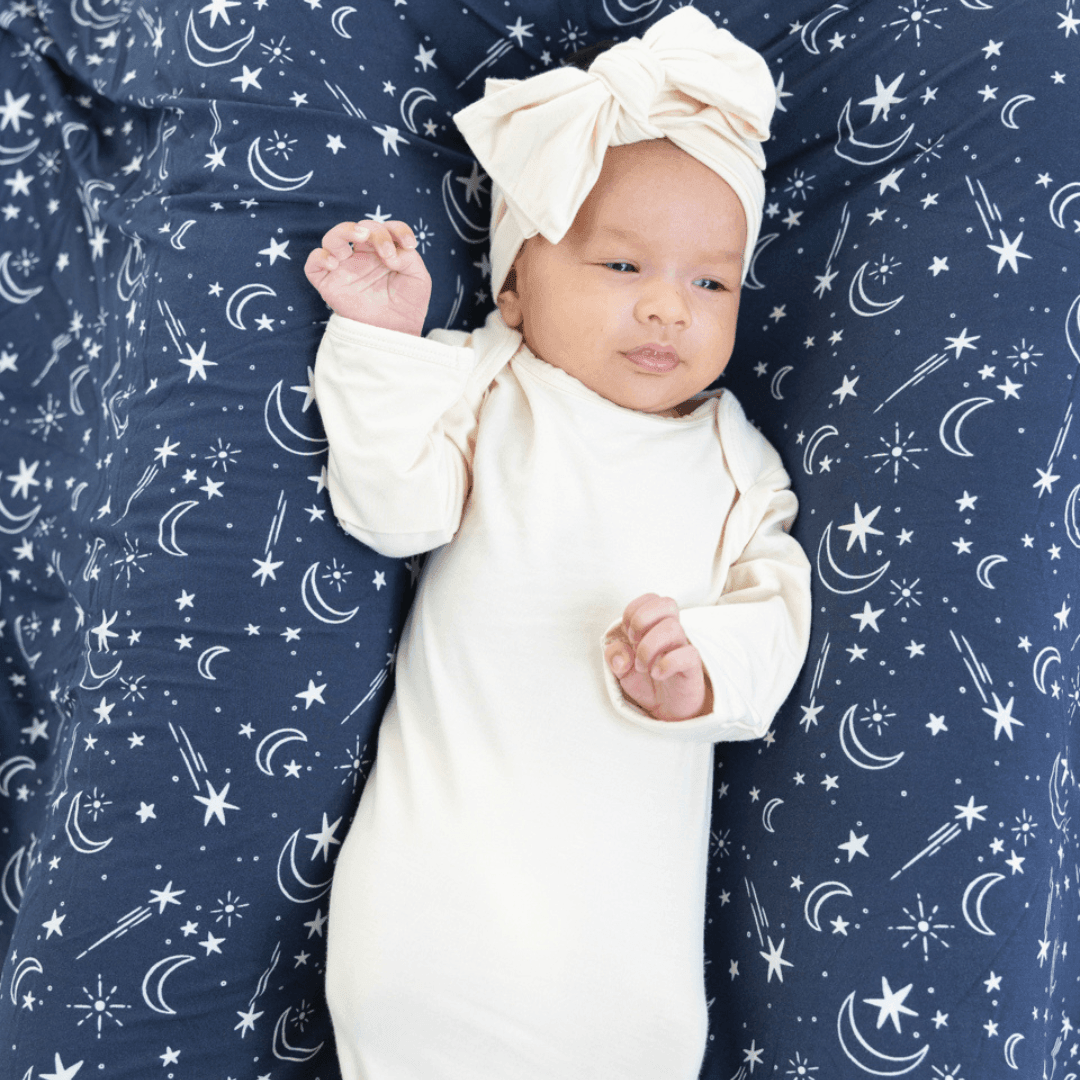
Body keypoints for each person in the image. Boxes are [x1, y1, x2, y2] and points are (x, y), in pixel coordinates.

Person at [304, 8, 811, 1078]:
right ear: (516, 286)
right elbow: (394, 510)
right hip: (435, 907)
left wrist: (701, 669)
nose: (669, 308)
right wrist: (381, 342)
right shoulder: (491, 383)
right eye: (622, 265)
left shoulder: (738, 462)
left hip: (621, 957)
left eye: (710, 282)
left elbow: (775, 620)